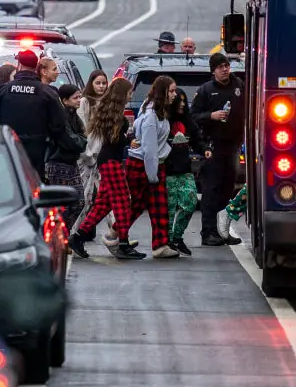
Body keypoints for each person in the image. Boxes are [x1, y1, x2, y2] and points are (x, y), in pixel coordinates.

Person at [68, 77, 145, 260]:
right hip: (112, 163)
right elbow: (114, 139)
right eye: (129, 92)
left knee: (103, 204)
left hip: (107, 161)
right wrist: (129, 140)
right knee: (123, 203)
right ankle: (124, 243)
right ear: (122, 94)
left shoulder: (108, 110)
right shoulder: (116, 115)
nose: (130, 95)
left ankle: (77, 237)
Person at [0, 48, 70, 180]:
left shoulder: (4, 90)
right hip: (37, 151)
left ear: (20, 65)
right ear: (36, 68)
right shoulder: (47, 93)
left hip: (9, 149)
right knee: (34, 186)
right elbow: (60, 125)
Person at [191, 52, 245, 246]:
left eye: (227, 65)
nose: (225, 69)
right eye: (220, 66)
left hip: (233, 147)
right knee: (211, 190)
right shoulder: (206, 90)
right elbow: (194, 116)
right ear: (213, 70)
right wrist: (211, 116)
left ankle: (223, 230)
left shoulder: (238, 85)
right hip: (213, 146)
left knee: (227, 190)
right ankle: (208, 232)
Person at [123, 75, 179, 258]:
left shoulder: (159, 111)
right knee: (137, 205)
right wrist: (153, 175)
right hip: (144, 166)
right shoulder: (151, 116)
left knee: (159, 207)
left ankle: (160, 245)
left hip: (152, 165)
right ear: (163, 92)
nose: (175, 94)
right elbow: (149, 150)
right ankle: (115, 233)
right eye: (171, 91)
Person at [46, 84, 88, 246]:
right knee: (64, 204)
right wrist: (81, 141)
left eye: (80, 96)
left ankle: (62, 235)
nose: (79, 100)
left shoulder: (74, 116)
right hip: (58, 164)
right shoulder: (60, 116)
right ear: (64, 100)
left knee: (79, 202)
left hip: (71, 162)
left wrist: (81, 140)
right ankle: (57, 238)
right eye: (75, 97)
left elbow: (81, 137)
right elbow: (72, 140)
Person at [165, 88, 205, 256]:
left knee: (190, 202)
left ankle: (177, 236)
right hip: (167, 169)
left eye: (184, 101)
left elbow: (196, 138)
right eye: (178, 101)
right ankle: (166, 242)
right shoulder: (163, 119)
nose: (182, 104)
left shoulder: (187, 120)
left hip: (184, 169)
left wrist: (205, 149)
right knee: (169, 209)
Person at [73, 70, 108, 233]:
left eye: (104, 83)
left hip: (104, 157)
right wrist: (87, 155)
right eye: (98, 83)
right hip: (88, 157)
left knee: (109, 198)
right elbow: (82, 129)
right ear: (91, 84)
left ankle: (116, 235)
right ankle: (74, 234)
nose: (101, 86)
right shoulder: (85, 102)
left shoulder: (108, 102)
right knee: (85, 198)